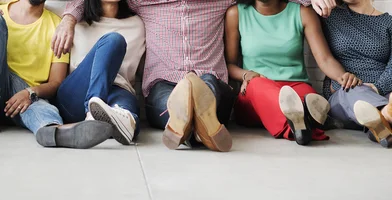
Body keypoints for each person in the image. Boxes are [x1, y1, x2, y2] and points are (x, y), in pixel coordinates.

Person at [54, 0, 338, 152]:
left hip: (210, 81)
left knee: (208, 85)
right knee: (172, 96)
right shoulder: (145, 3)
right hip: (164, 86)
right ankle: (200, 128)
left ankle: (186, 128)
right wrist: (68, 18)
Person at [0, 0, 114, 149]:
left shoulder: (56, 26)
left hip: (22, 100)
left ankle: (56, 132)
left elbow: (56, 82)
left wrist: (29, 92)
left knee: (41, 105)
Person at [224, 0, 361, 146]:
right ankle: (304, 123)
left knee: (308, 97)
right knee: (259, 85)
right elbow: (230, 65)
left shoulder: (302, 12)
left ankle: (301, 126)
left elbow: (325, 59)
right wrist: (247, 75)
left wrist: (343, 76)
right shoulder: (236, 13)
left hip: (295, 87)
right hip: (256, 90)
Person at [53, 0, 145, 145]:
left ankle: (123, 124)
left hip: (118, 89)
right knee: (114, 40)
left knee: (128, 113)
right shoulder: (75, 21)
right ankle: (92, 112)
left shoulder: (138, 24)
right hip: (77, 92)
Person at [320, 0, 392, 148]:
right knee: (352, 90)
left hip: (382, 92)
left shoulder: (388, 22)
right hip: (345, 92)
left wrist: (378, 88)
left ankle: (381, 123)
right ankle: (385, 114)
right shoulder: (330, 15)